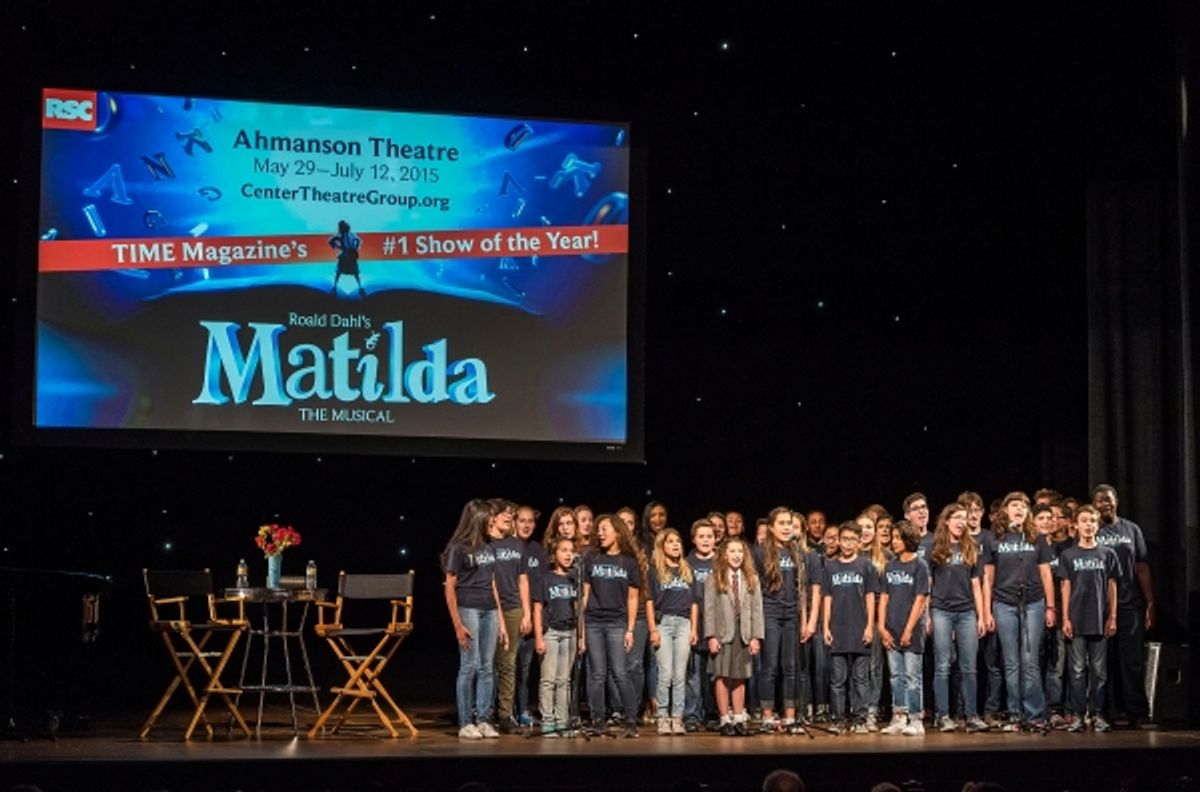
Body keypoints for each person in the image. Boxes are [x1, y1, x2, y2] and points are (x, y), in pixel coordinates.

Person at [989, 492, 1055, 731]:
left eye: (1023, 506)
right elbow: (989, 576)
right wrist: (987, 610)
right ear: (1005, 510)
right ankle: (1015, 714)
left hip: (1033, 603)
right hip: (1004, 603)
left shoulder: (1036, 537)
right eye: (1014, 505)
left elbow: (1046, 572)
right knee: (1011, 662)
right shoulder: (995, 538)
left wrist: (1050, 606)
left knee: (1030, 660)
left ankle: (1035, 714)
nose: (1019, 509)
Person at [442, 499, 507, 739]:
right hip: (468, 609)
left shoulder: (489, 548)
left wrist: (500, 618)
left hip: (489, 610)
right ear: (477, 519)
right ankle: (465, 722)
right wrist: (457, 624)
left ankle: (483, 719)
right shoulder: (460, 548)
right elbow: (449, 587)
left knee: (487, 667)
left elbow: (492, 584)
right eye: (488, 517)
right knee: (469, 666)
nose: (492, 520)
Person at [1091, 484, 1154, 727]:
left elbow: (1142, 566)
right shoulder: (1091, 530)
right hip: (1099, 607)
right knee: (1102, 663)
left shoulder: (1131, 529)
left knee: (1132, 661)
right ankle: (1106, 712)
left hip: (1130, 604)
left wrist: (1150, 603)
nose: (1104, 504)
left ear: (1116, 501)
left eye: (1108, 500)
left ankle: (1136, 712)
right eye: (1099, 501)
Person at [579, 514, 642, 737]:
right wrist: (581, 629)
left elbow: (633, 598)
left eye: (605, 529)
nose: (600, 533)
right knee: (597, 674)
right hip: (593, 622)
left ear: (617, 531)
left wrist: (630, 629)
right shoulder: (591, 557)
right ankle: (598, 720)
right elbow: (584, 595)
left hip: (617, 623)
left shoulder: (629, 562)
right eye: (599, 530)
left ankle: (631, 720)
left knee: (620, 672)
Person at [1058, 504, 1119, 732]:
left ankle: (1097, 713)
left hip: (1099, 619)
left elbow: (1112, 585)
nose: (1088, 525)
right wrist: (1065, 618)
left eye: (1092, 521)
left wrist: (1112, 616)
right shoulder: (1068, 555)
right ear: (1076, 524)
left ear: (1097, 525)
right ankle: (1076, 714)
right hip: (1077, 618)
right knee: (1076, 669)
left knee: (1099, 670)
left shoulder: (1107, 553)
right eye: (1084, 521)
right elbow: (1065, 586)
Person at [929, 502, 988, 732]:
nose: (962, 522)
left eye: (965, 518)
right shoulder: (935, 547)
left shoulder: (971, 547)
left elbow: (976, 585)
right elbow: (928, 585)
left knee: (969, 667)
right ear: (947, 520)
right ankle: (943, 715)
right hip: (941, 610)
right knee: (942, 665)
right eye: (957, 517)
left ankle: (971, 715)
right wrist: (928, 616)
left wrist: (981, 616)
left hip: (966, 613)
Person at [822, 521, 879, 734]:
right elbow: (827, 598)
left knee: (860, 679)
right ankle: (838, 719)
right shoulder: (830, 566)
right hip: (837, 629)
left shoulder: (866, 566)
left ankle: (860, 719)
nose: (847, 544)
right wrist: (826, 627)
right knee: (837, 679)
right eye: (844, 539)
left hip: (859, 629)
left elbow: (870, 596)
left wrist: (869, 627)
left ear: (859, 542)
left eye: (852, 539)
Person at [704, 536, 764, 736]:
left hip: (744, 633)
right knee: (722, 676)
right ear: (724, 554)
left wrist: (756, 637)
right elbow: (709, 609)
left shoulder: (752, 578)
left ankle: (738, 719)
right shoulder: (715, 578)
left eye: (740, 551)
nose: (737, 555)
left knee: (740, 677)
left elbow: (757, 610)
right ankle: (724, 720)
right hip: (723, 634)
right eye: (732, 551)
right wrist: (711, 636)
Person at [754, 507, 803, 732]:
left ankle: (790, 717)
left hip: (791, 614)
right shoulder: (760, 552)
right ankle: (767, 716)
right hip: (770, 613)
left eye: (789, 524)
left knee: (791, 667)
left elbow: (800, 587)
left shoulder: (797, 552)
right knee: (770, 666)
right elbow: (754, 589)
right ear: (771, 527)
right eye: (781, 523)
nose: (786, 528)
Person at [879, 520, 929, 736]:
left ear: (908, 539)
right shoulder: (890, 566)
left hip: (912, 631)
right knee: (895, 676)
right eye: (893, 537)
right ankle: (898, 716)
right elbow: (884, 598)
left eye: (898, 537)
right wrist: (881, 627)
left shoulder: (920, 566)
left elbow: (920, 601)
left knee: (912, 676)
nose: (894, 541)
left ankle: (916, 719)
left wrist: (909, 630)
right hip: (891, 628)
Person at [647, 528, 697, 734]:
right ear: (662, 546)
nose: (676, 545)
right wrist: (653, 630)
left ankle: (677, 718)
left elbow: (694, 602)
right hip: (664, 624)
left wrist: (694, 628)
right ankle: (662, 717)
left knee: (679, 675)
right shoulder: (655, 571)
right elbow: (649, 601)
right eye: (670, 542)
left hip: (684, 623)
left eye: (678, 541)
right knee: (665, 673)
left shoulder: (687, 569)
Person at [490, 500, 529, 732]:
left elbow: (523, 579)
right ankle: (483, 710)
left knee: (508, 662)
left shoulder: (517, 545)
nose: (509, 516)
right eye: (505, 513)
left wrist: (525, 612)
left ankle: (505, 714)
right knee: (487, 664)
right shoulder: (485, 543)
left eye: (511, 513)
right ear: (492, 517)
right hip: (489, 608)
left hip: (513, 607)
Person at [534, 537, 578, 736]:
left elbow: (580, 609)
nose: (568, 554)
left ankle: (562, 720)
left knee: (564, 680)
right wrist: (538, 637)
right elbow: (537, 608)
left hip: (570, 632)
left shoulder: (574, 579)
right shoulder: (546, 578)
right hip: (551, 632)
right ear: (554, 554)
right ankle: (548, 721)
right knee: (548, 679)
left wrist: (581, 637)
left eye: (571, 550)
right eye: (564, 550)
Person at [684, 519, 718, 731]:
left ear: (715, 540)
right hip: (694, 624)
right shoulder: (687, 563)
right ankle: (692, 715)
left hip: (716, 626)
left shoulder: (721, 562)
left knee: (714, 675)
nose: (706, 540)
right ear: (694, 539)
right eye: (701, 536)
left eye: (709, 536)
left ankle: (712, 713)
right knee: (693, 675)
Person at [857, 512, 887, 730]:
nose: (865, 531)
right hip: (852, 618)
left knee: (875, 666)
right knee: (857, 666)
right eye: (861, 527)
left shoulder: (886, 557)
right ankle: (857, 709)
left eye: (869, 526)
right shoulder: (847, 556)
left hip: (877, 617)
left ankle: (872, 710)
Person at [512, 505, 542, 728]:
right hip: (509, 615)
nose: (526, 525)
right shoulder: (506, 548)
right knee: (504, 669)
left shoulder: (538, 550)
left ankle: (522, 710)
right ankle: (502, 712)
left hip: (531, 618)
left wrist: (531, 616)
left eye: (530, 521)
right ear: (514, 522)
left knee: (524, 669)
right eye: (522, 520)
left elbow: (539, 586)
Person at [329, 219, 365, 297]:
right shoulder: (343, 235)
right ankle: (335, 286)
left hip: (349, 255)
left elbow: (358, 241)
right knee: (342, 271)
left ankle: (360, 286)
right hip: (347, 255)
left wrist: (353, 248)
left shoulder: (348, 235)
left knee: (352, 272)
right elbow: (331, 241)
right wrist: (340, 247)